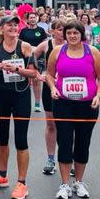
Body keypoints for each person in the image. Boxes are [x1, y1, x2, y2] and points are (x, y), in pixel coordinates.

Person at [46, 21, 100, 199]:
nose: (73, 36)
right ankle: (65, 184)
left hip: (87, 105)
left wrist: (98, 95)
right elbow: (49, 74)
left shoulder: (92, 52)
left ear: (82, 34)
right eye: (69, 33)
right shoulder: (57, 51)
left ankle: (79, 182)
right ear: (65, 35)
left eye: (76, 33)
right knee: (64, 141)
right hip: (63, 103)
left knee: (82, 142)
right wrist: (52, 88)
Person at [0, 15, 38, 199]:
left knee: (21, 140)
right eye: (9, 25)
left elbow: (33, 73)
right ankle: (2, 176)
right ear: (1, 28)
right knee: (1, 138)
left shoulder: (25, 46)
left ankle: (22, 183)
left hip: (21, 97)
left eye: (16, 25)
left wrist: (16, 69)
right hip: (1, 96)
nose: (13, 28)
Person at [32, 20, 65, 175]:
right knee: (51, 125)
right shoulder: (46, 45)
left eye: (65, 29)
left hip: (68, 88)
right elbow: (31, 55)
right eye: (59, 29)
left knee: (68, 125)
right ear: (52, 31)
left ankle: (68, 158)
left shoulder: (73, 44)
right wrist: (37, 73)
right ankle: (51, 159)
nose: (62, 32)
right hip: (49, 86)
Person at [19, 12, 47, 114]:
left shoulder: (41, 30)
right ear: (27, 20)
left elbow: (45, 43)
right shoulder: (23, 31)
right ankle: (23, 103)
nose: (32, 19)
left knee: (36, 80)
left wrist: (37, 49)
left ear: (37, 19)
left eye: (34, 17)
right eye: (30, 18)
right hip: (26, 57)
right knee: (25, 80)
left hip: (37, 58)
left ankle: (37, 103)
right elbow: (20, 43)